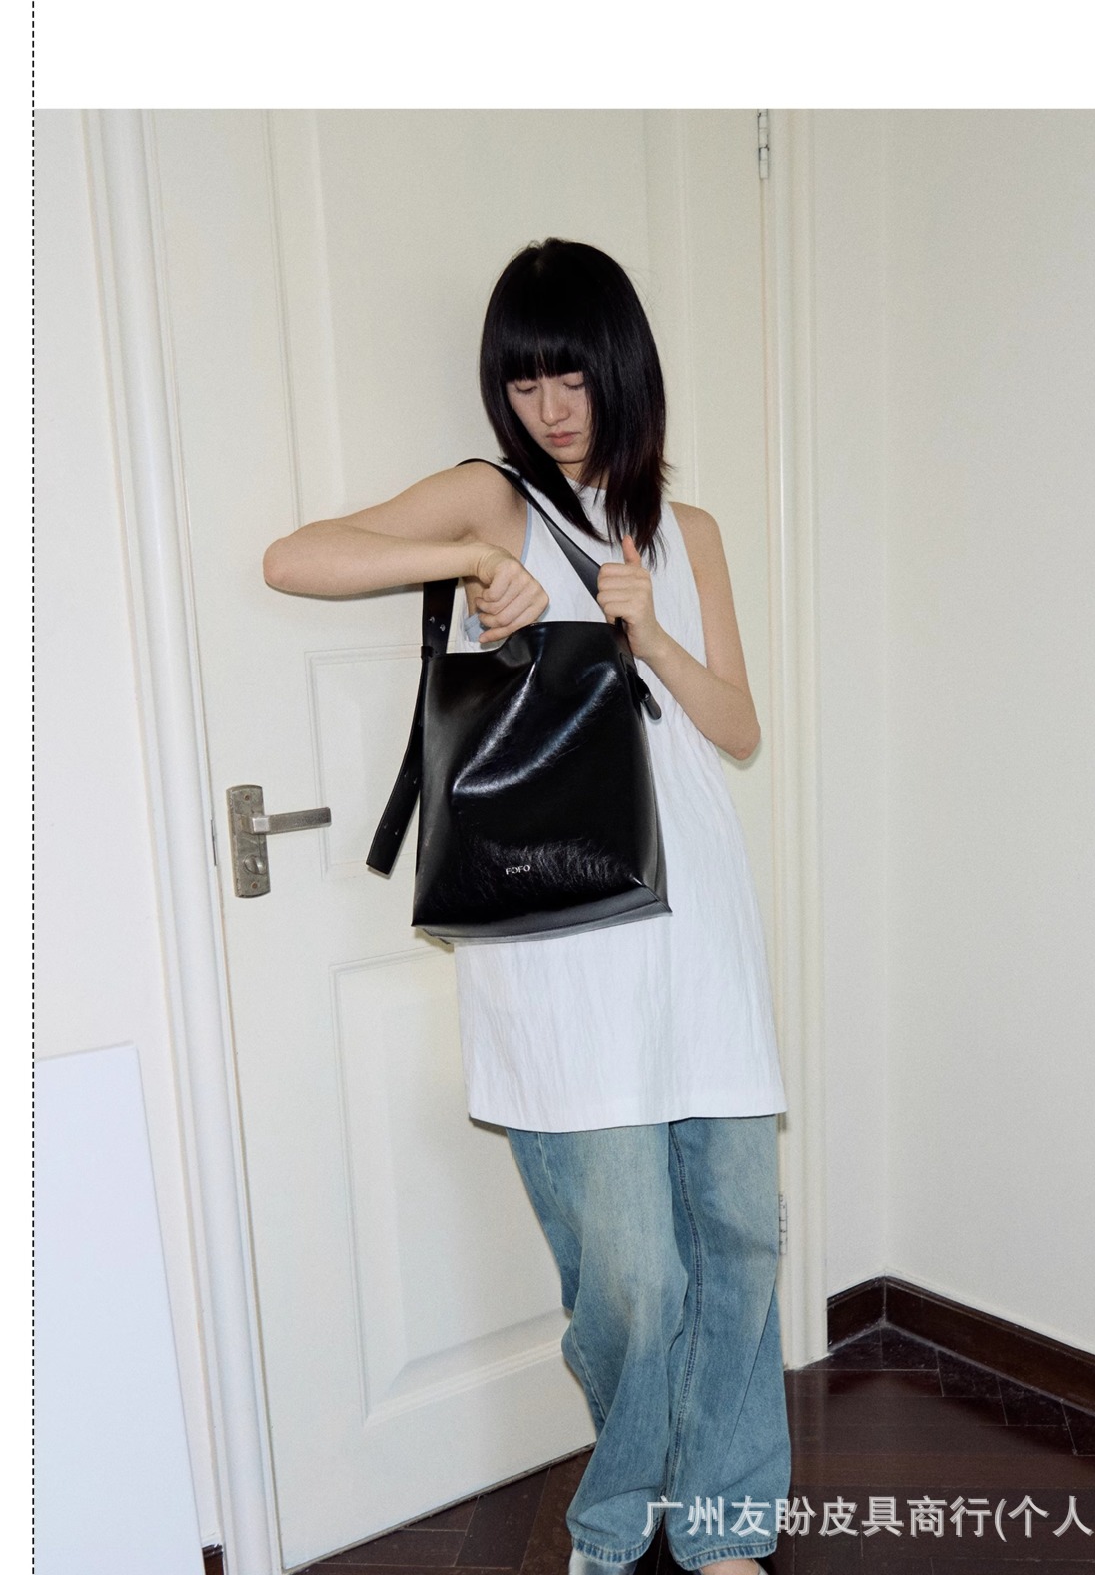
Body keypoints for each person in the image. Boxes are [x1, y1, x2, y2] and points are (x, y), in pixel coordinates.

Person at [263, 239, 790, 1575]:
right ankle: (617, 1522)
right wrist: (468, 561)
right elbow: (295, 557)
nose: (551, 407)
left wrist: (650, 633)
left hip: (700, 928)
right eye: (525, 380)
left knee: (738, 1232)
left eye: (573, 377)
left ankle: (724, 1519)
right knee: (632, 1274)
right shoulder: (494, 498)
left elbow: (736, 727)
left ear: (623, 369)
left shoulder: (691, 531)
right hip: (565, 941)